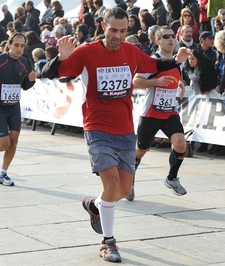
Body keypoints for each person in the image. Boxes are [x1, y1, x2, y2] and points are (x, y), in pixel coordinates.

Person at [41, 7, 191, 263]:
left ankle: (95, 205)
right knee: (111, 184)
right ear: (102, 26)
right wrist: (58, 57)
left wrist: (177, 59)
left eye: (123, 31)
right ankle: (108, 242)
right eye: (113, 30)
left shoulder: (131, 51)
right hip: (97, 127)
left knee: (122, 189)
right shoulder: (87, 52)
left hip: (124, 129)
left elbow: (155, 64)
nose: (118, 36)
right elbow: (49, 74)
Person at [127, 26, 188, 202]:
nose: (170, 39)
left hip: (169, 112)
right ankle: (129, 180)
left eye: (172, 36)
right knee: (140, 150)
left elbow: (177, 75)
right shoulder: (152, 60)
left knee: (180, 142)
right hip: (151, 113)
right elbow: (136, 81)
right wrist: (156, 81)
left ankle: (171, 178)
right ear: (157, 41)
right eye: (165, 37)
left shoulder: (178, 59)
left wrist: (181, 83)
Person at [0, 32, 37, 186]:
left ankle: (3, 173)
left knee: (14, 141)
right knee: (4, 144)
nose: (19, 48)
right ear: (9, 44)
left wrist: (31, 80)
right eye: (16, 45)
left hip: (14, 107)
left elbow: (24, 86)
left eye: (22, 46)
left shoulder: (24, 61)